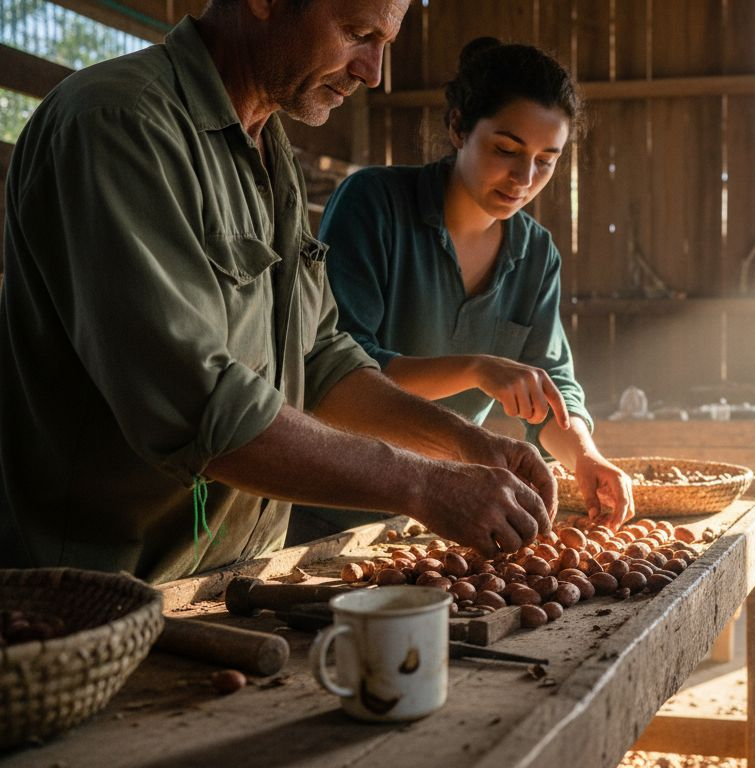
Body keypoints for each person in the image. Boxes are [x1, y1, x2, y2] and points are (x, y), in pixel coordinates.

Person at [0, 0, 557, 585]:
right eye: (357, 33)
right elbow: (199, 406)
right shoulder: (120, 122)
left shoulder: (266, 147)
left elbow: (319, 359)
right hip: (93, 594)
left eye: (384, 44)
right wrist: (422, 484)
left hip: (231, 577)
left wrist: (464, 443)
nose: (372, 72)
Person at [296, 38, 634, 539]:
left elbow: (553, 388)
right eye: (506, 150)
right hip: (332, 507)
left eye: (546, 160)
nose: (524, 178)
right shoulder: (373, 205)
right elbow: (337, 371)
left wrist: (585, 456)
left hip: (443, 516)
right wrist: (477, 369)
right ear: (458, 127)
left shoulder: (536, 254)